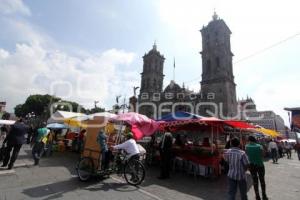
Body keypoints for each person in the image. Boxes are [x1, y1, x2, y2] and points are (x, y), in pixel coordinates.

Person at [246, 136, 268, 200]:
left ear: (249, 140)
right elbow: (263, 155)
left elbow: (246, 155)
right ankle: (264, 195)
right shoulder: (260, 146)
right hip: (260, 165)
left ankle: (257, 196)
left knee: (255, 181)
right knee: (262, 180)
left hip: (252, 166)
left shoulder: (246, 146)